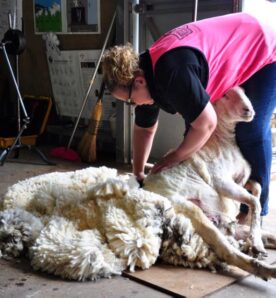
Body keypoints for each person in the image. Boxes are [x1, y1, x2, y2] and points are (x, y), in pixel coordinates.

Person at [101, 4, 276, 222]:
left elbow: (207, 123)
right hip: (234, 45)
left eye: (129, 101)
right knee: (192, 136)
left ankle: (254, 213)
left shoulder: (172, 73)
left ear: (139, 81)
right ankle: (209, 202)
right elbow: (144, 130)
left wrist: (174, 156)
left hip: (263, 42)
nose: (133, 105)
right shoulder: (145, 71)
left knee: (251, 130)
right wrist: (138, 174)